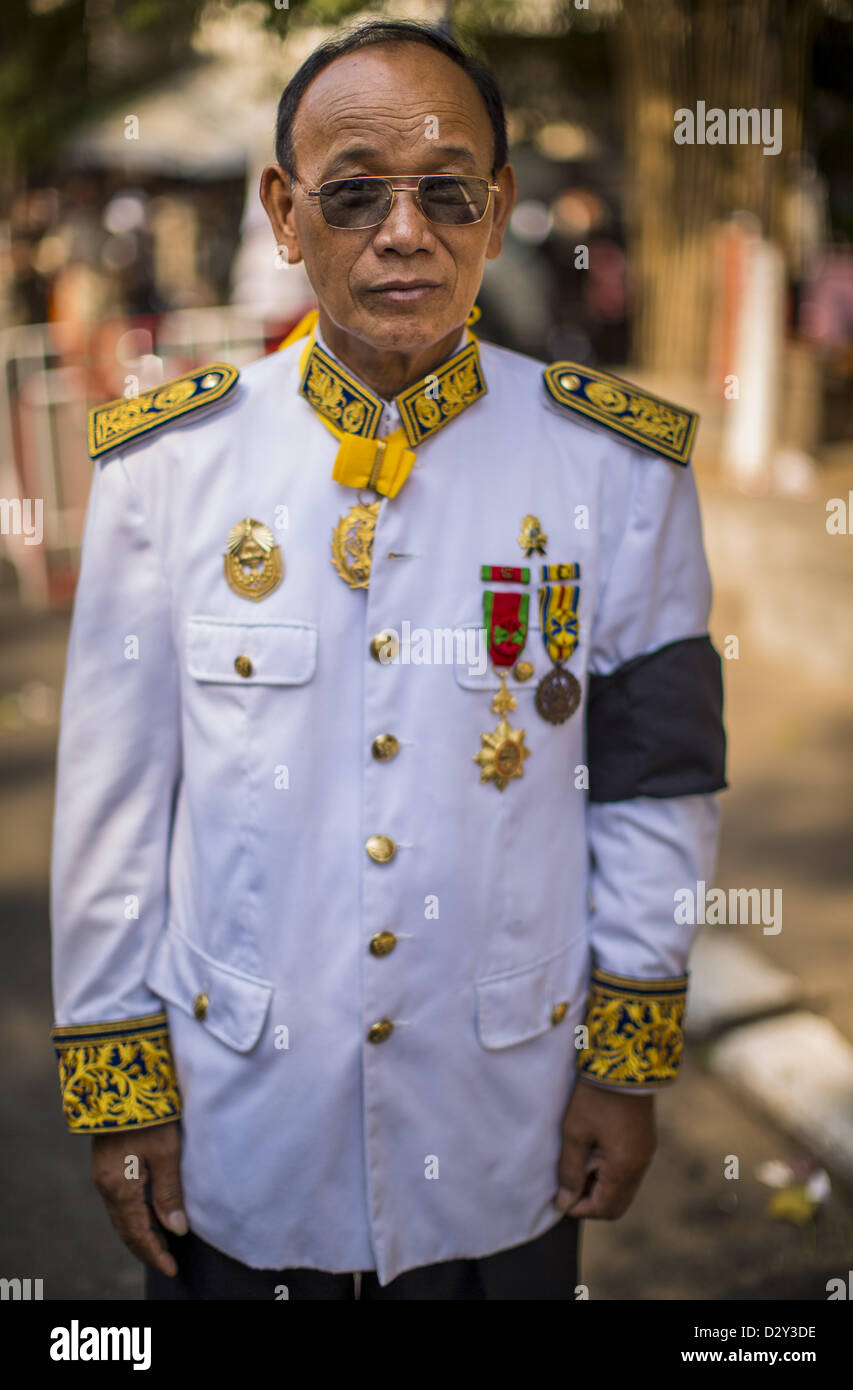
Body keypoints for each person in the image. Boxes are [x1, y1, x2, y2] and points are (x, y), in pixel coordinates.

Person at [49, 19, 726, 1301]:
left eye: (446, 191)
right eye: (354, 192)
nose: (403, 232)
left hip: (502, 1119)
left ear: (500, 205)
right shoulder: (168, 471)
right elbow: (112, 809)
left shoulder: (617, 471)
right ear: (284, 212)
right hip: (241, 1122)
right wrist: (120, 1085)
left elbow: (654, 783)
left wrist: (623, 1058)